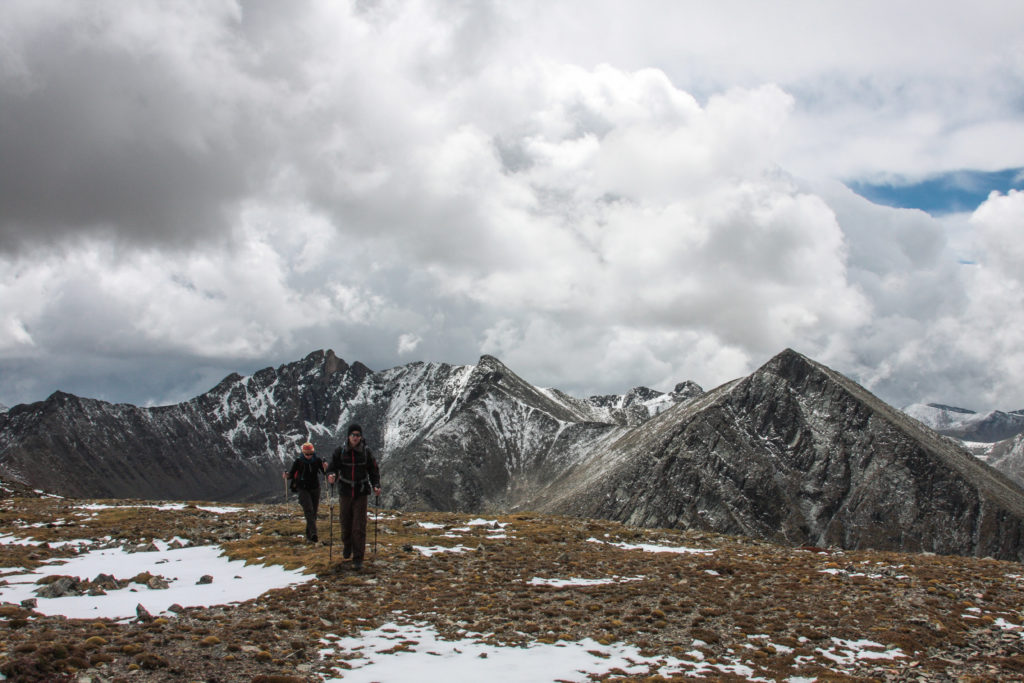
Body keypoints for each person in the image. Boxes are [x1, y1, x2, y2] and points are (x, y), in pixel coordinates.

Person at [327, 424, 381, 570]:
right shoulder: (340, 451)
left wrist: (376, 484)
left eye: (358, 435)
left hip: (361, 492)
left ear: (361, 436)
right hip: (345, 491)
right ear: (348, 436)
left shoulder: (366, 452)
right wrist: (331, 475)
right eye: (353, 435)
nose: (356, 437)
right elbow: (332, 467)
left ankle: (358, 557)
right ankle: (347, 545)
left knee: (359, 525)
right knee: (345, 523)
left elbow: (373, 470)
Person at [284, 442, 327, 543]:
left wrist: (326, 467)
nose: (308, 456)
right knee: (309, 510)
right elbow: (291, 473)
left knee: (313, 512)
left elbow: (325, 472)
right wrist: (287, 476)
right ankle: (314, 534)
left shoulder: (317, 460)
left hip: (315, 488)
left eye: (310, 454)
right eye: (306, 454)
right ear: (303, 453)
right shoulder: (298, 462)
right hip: (302, 488)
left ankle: (309, 536)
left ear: (313, 453)